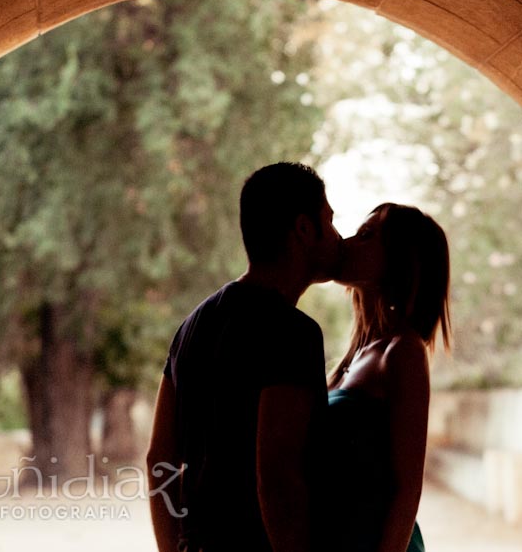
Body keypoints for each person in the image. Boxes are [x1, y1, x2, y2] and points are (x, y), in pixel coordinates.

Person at [146, 162, 342, 552]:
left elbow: (159, 460)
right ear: (304, 229)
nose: (338, 237)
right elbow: (277, 477)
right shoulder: (293, 332)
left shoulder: (192, 325)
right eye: (329, 221)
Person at [324, 203, 451, 552]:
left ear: (399, 261)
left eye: (366, 236)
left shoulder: (403, 352)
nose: (348, 242)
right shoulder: (355, 354)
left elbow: (408, 488)